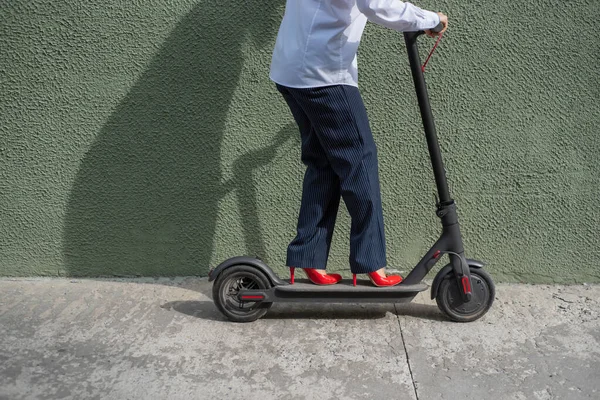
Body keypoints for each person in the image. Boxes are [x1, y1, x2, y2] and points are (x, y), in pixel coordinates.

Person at [270, 1, 448, 287]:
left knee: (324, 164)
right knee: (360, 162)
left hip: (290, 70)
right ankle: (371, 264)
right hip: (323, 74)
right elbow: (375, 5)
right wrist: (427, 18)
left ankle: (308, 258)